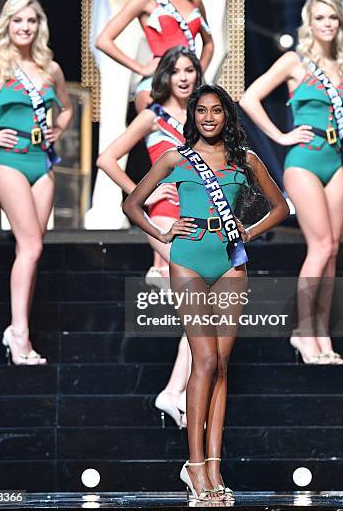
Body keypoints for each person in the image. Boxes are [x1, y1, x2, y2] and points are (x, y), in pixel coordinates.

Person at [123, 84, 289, 500]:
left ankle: (215, 467)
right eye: (201, 111)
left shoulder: (244, 159)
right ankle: (194, 467)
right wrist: (161, 231)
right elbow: (132, 204)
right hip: (189, 259)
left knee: (223, 366)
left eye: (217, 111)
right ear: (193, 116)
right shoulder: (175, 158)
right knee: (206, 359)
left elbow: (282, 207)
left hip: (232, 261)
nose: (209, 118)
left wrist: (249, 230)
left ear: (227, 117)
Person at [240, 0, 343, 364]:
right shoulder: (295, 62)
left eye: (332, 18)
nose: (327, 23)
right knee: (320, 247)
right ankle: (303, 333)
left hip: (335, 161)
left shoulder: (342, 69)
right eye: (320, 18)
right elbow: (250, 98)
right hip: (303, 161)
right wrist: (280, 137)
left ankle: (322, 336)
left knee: (333, 250)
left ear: (339, 24)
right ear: (309, 23)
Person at [0, 0, 73, 365]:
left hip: (44, 161)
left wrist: (58, 128)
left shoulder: (49, 68)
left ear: (39, 26)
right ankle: (19, 335)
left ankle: (18, 329)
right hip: (9, 159)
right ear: (7, 25)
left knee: (32, 249)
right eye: (18, 21)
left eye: (31, 21)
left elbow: (67, 109)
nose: (24, 27)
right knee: (31, 247)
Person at [97, 46, 201, 428]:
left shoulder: (202, 117)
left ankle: (174, 393)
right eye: (177, 71)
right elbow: (106, 158)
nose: (185, 77)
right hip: (163, 220)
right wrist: (142, 190)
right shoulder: (152, 116)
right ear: (166, 77)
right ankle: (176, 393)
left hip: (200, 221)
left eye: (190, 69)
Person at [95, 0, 213, 113]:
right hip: (158, 84)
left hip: (190, 85)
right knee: (164, 141)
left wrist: (198, 71)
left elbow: (209, 44)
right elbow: (103, 41)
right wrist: (140, 68)